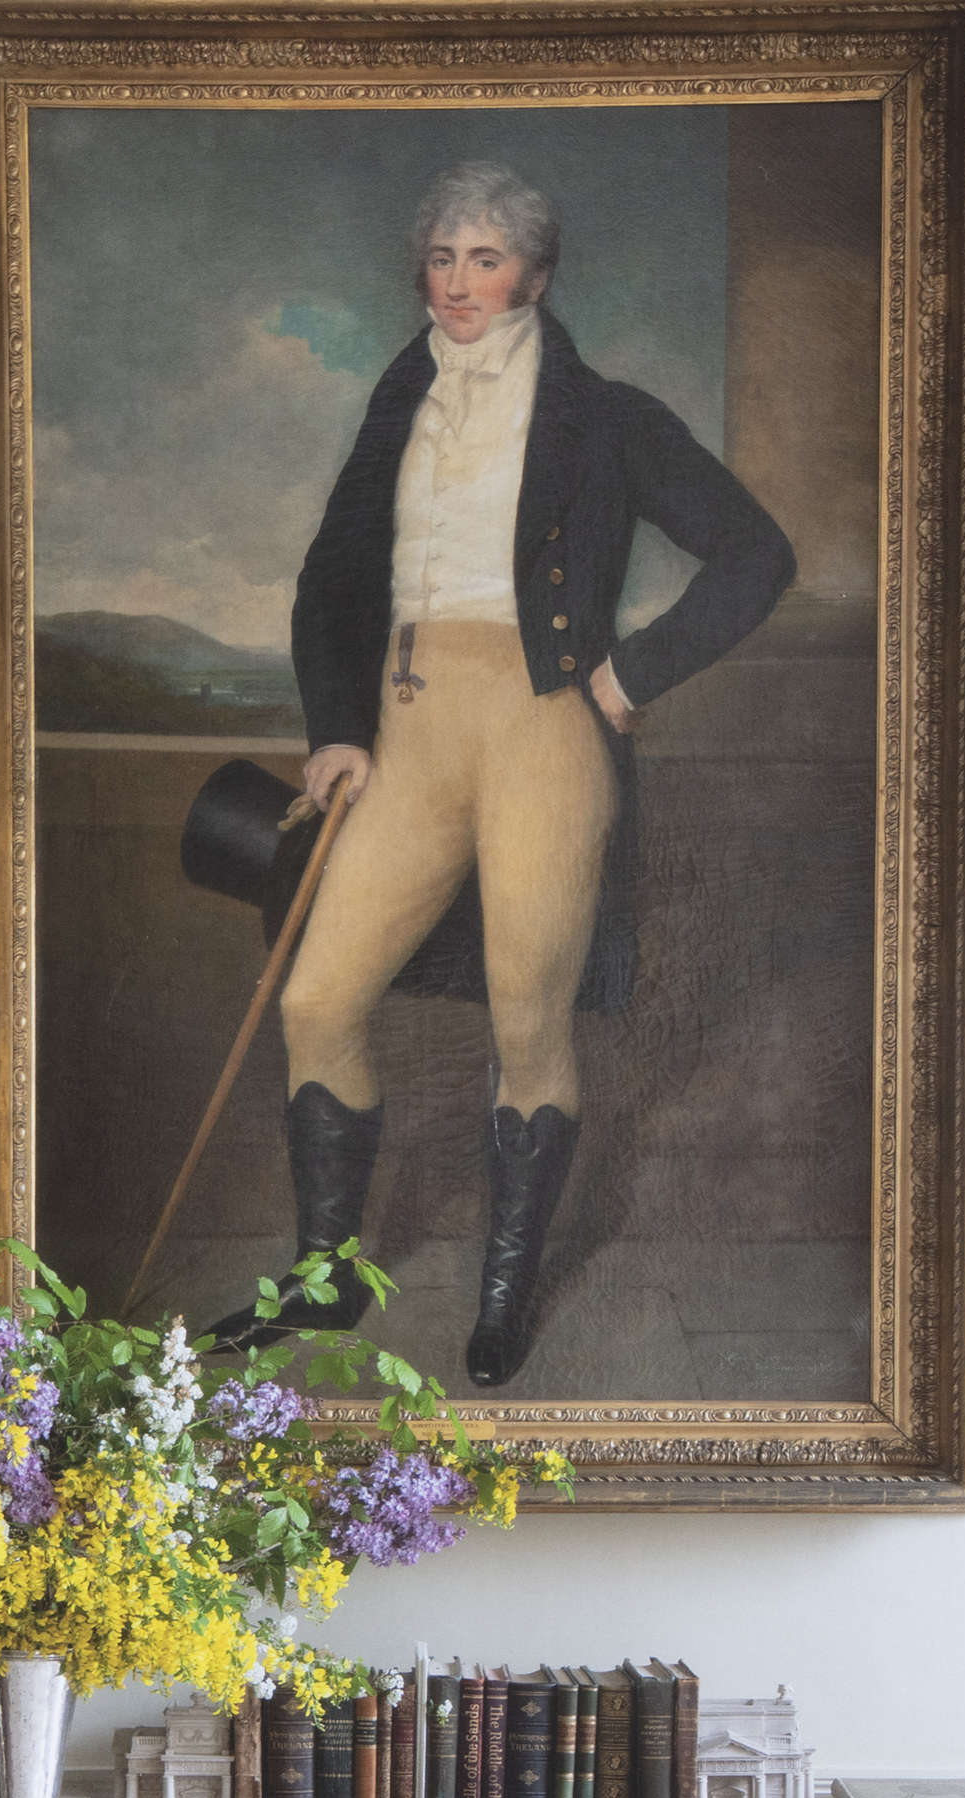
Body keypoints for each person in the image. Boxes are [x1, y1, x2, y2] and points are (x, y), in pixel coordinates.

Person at [211, 163, 794, 1385]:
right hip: (407, 732)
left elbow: (754, 553)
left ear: (532, 275)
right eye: (441, 257)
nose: (457, 282)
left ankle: (500, 1300)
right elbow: (332, 578)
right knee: (316, 999)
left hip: (543, 737)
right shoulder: (400, 400)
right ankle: (324, 1282)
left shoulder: (609, 417)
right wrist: (336, 728)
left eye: (484, 259)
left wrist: (627, 679)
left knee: (526, 1020)